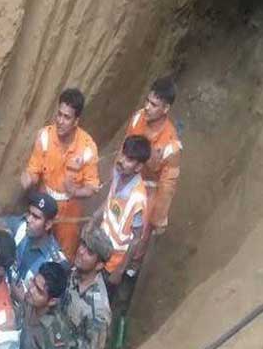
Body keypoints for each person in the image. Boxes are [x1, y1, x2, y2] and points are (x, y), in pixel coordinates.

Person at [21, 88, 101, 261]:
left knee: (62, 257)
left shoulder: (87, 148)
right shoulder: (44, 137)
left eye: (67, 117)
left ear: (76, 121)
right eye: (59, 114)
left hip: (69, 215)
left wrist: (74, 192)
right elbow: (34, 170)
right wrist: (28, 179)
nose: (60, 121)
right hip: (43, 207)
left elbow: (92, 187)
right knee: (33, 247)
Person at [124, 76, 182, 264]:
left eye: (154, 105)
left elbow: (167, 186)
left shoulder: (170, 145)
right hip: (129, 179)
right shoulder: (137, 119)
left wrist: (158, 218)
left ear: (165, 109)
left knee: (138, 238)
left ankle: (129, 272)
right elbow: (124, 149)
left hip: (150, 191)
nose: (147, 107)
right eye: (147, 101)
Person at [0, 192, 68, 313]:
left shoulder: (55, 263)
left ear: (47, 224)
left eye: (36, 217)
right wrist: (6, 237)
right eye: (29, 213)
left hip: (20, 315)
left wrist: (23, 300)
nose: (28, 219)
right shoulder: (21, 226)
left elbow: (51, 313)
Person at [86, 135, 151, 294]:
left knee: (97, 297)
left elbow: (136, 239)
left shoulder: (138, 199)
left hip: (112, 262)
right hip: (99, 245)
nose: (121, 160)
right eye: (123, 154)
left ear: (138, 167)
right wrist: (93, 219)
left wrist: (120, 270)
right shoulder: (118, 173)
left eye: (129, 159)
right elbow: (110, 200)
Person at [62, 227, 112, 349]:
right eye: (83, 244)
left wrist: (63, 342)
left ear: (99, 265)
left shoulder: (98, 310)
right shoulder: (74, 273)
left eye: (89, 252)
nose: (81, 251)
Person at [14, 263, 72, 349]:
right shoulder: (30, 300)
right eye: (33, 282)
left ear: (52, 301)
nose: (31, 290)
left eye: (39, 291)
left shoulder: (56, 338)